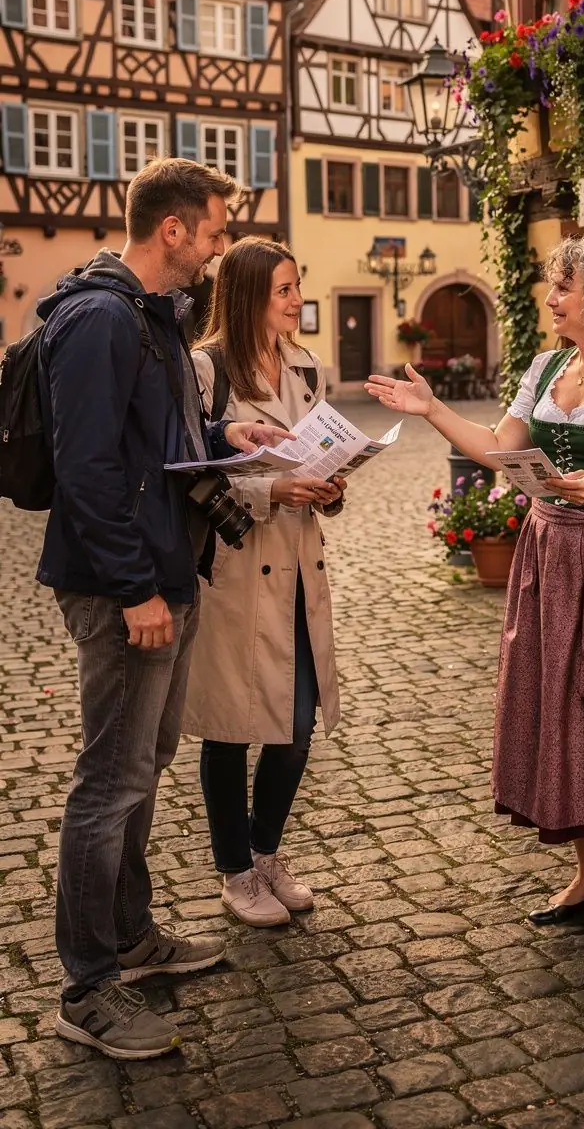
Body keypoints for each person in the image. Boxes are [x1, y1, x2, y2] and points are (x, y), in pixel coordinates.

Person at [366, 233, 584, 947]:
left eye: (564, 287)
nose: (551, 298)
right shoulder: (546, 366)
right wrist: (430, 408)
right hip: (551, 559)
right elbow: (502, 451)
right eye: (553, 285)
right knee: (563, 710)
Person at [37, 159, 294, 1060]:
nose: (222, 252)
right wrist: (137, 588)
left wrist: (231, 434)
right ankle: (86, 988)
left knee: (140, 771)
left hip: (170, 572)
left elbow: (164, 441)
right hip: (126, 588)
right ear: (173, 229)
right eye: (217, 233)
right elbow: (89, 471)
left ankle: (132, 939)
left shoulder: (155, 320)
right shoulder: (100, 318)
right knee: (107, 785)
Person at [183, 237, 344, 927]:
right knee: (231, 727)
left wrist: (332, 486)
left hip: (299, 566)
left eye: (298, 286)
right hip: (236, 568)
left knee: (296, 724)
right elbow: (189, 474)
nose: (297, 300)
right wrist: (274, 491)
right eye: (284, 289)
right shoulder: (204, 368)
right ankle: (235, 872)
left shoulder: (304, 366)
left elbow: (321, 448)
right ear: (249, 295)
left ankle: (266, 850)